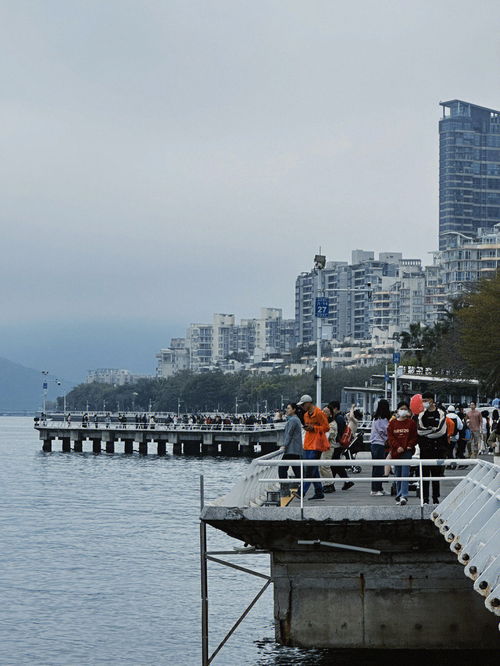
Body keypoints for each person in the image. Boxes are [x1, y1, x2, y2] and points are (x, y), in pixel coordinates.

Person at [293, 394, 329, 500]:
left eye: (303, 404)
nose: (302, 407)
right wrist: (309, 428)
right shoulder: (305, 415)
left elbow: (326, 428)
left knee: (310, 469)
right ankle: (319, 491)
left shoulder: (319, 413)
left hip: (317, 445)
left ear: (309, 403)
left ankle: (301, 492)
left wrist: (313, 428)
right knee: (313, 469)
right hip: (308, 444)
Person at [417, 391, 448, 504]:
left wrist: (427, 433)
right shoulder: (421, 415)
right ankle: (425, 499)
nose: (424, 403)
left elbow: (441, 431)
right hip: (425, 450)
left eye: (426, 400)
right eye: (423, 401)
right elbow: (419, 431)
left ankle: (435, 498)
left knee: (436, 476)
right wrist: (432, 430)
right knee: (424, 476)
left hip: (438, 449)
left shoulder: (441, 413)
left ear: (432, 400)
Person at [387, 401, 417, 505]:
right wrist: (397, 447)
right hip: (396, 452)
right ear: (397, 410)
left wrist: (409, 446)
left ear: (408, 411)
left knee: (405, 474)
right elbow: (390, 437)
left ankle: (404, 495)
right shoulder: (392, 423)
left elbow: (414, 437)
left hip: (407, 452)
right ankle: (399, 495)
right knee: (398, 474)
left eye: (405, 409)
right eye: (401, 408)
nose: (403, 411)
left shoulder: (411, 423)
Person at [278, 403, 303, 496]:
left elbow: (289, 434)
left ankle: (285, 489)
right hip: (295, 449)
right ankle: (302, 488)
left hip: (291, 449)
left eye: (288, 408)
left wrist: (284, 445)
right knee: (297, 470)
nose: (286, 410)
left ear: (294, 410)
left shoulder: (293, 420)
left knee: (282, 468)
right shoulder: (296, 420)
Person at [370, 399, 391, 496]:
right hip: (379, 444)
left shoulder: (376, 418)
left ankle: (379, 487)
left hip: (376, 444)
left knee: (378, 467)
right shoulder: (381, 420)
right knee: (378, 468)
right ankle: (375, 489)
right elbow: (386, 431)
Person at [320, 405, 338, 493]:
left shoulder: (332, 424)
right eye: (322, 411)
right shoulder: (325, 422)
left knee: (325, 466)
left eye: (325, 412)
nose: (323, 413)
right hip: (323, 447)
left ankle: (330, 484)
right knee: (322, 466)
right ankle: (327, 484)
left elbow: (328, 436)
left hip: (329, 447)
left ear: (330, 414)